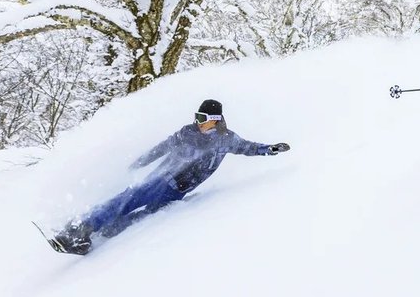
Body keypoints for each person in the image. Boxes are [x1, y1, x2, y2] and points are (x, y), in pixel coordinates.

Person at [49, 99, 290, 255]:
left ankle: (96, 237)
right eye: (196, 116)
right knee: (126, 199)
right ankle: (80, 228)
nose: (197, 122)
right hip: (161, 179)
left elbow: (248, 148)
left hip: (178, 190)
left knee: (146, 217)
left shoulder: (227, 139)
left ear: (215, 121)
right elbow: (163, 147)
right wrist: (139, 162)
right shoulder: (187, 133)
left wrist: (270, 149)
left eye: (202, 118)